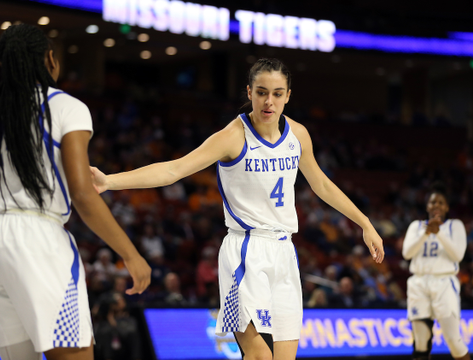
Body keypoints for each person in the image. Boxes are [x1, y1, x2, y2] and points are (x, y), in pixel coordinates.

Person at [90, 58, 384, 360]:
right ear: (249, 92)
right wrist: (109, 181)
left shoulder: (298, 135)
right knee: (259, 357)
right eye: (261, 92)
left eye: (277, 93)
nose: (269, 101)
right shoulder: (233, 136)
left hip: (285, 252)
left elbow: (321, 185)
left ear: (288, 95)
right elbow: (173, 170)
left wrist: (365, 223)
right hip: (246, 250)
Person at [0, 24, 151, 360]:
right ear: (49, 59)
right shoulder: (66, 106)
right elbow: (83, 194)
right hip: (34, 238)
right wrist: (130, 254)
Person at [402, 182, 470, 360]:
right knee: (420, 343)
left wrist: (438, 232)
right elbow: (407, 253)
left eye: (440, 202)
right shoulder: (416, 226)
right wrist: (426, 233)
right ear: (427, 206)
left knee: (453, 341)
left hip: (444, 283)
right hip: (418, 283)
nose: (436, 206)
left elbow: (458, 255)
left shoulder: (455, 226)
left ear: (446, 207)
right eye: (433, 202)